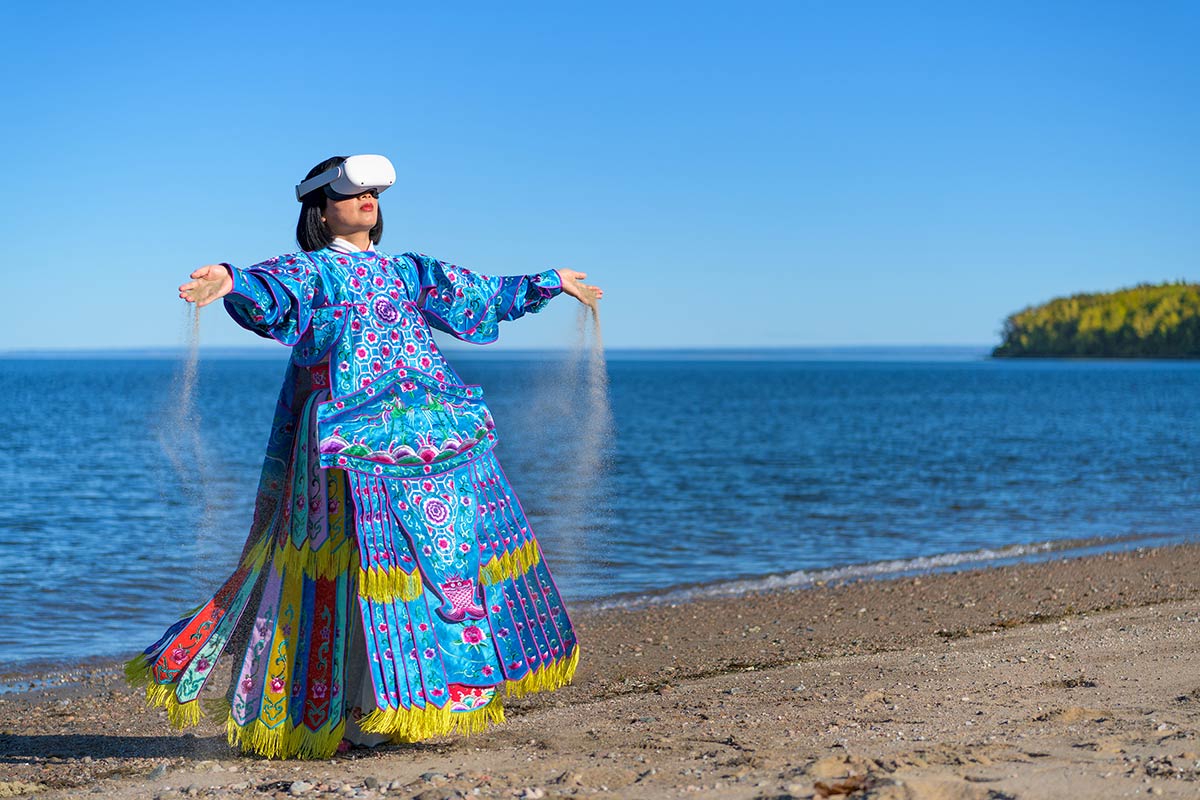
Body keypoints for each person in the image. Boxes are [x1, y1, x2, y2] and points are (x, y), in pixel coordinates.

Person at [126, 154, 602, 759]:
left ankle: (410, 704)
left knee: (439, 562)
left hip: (430, 444)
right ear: (319, 210)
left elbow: (479, 296)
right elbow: (270, 291)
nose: (366, 200)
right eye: (352, 194)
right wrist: (229, 278)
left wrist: (549, 281)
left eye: (373, 193)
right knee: (345, 569)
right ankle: (343, 716)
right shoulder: (313, 273)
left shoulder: (407, 271)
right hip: (342, 448)